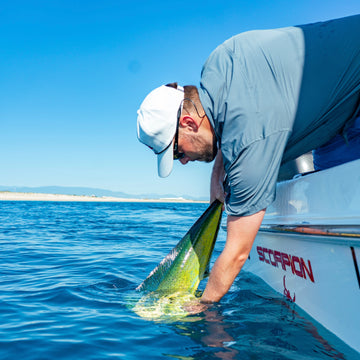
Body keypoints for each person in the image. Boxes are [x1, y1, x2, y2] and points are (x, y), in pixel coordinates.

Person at [137, 15, 360, 303]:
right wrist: (218, 171)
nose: (182, 161)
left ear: (190, 123)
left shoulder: (249, 141)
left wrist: (202, 308)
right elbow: (230, 119)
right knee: (337, 194)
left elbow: (237, 253)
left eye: (177, 151)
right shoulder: (219, 63)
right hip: (336, 116)